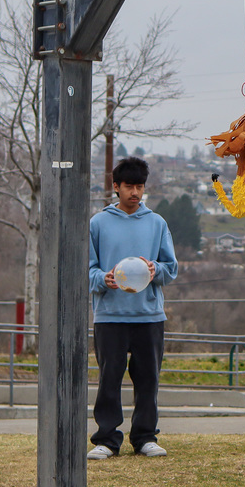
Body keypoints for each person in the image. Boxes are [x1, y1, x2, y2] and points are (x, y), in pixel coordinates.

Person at [87, 157, 178, 460]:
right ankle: (106, 439)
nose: (135, 193)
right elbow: (87, 270)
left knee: (148, 378)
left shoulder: (157, 223)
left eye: (139, 187)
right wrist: (103, 278)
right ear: (116, 187)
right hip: (109, 316)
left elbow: (171, 267)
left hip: (148, 315)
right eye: (129, 186)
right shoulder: (98, 222)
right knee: (109, 378)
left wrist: (156, 270)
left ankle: (145, 437)